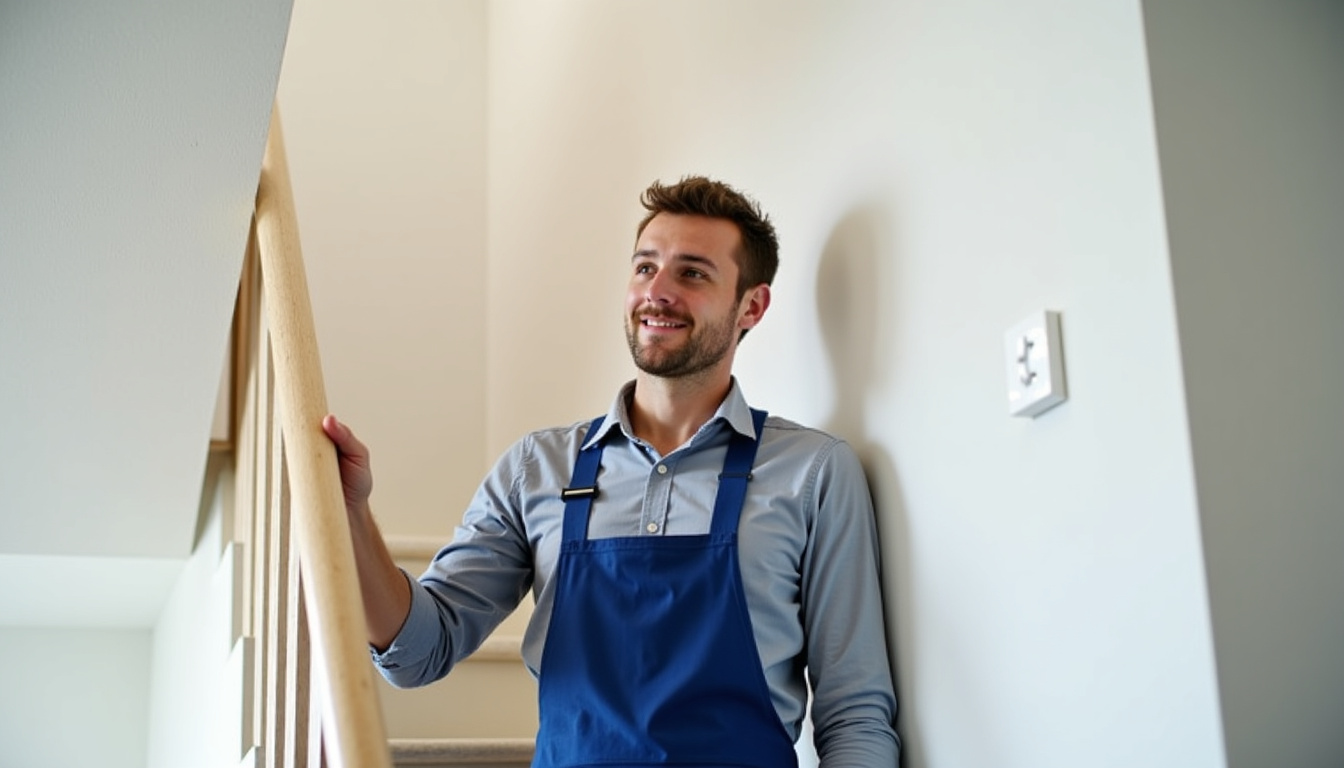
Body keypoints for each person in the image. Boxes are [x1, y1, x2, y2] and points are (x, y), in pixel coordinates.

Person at [322, 176, 900, 767]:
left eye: (693, 273)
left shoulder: (813, 473)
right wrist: (351, 512)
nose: (659, 292)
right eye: (645, 268)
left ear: (750, 305)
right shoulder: (536, 468)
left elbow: (855, 716)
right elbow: (419, 651)